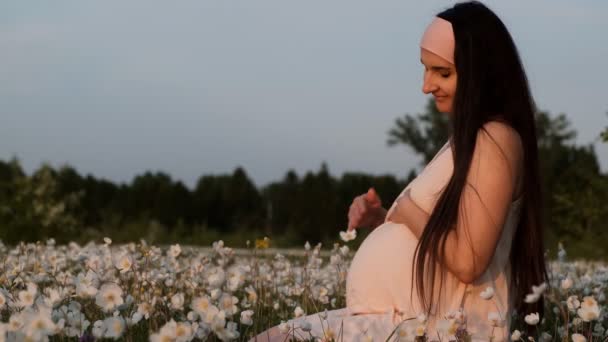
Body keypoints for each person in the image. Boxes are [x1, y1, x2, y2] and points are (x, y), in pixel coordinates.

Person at [252, 1, 547, 341]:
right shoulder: (471, 141)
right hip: (409, 321)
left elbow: (468, 260)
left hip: (441, 328)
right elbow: (448, 232)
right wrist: (385, 218)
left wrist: (407, 210)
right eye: (425, 69)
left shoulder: (495, 139)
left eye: (443, 72)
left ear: (481, 72)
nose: (426, 85)